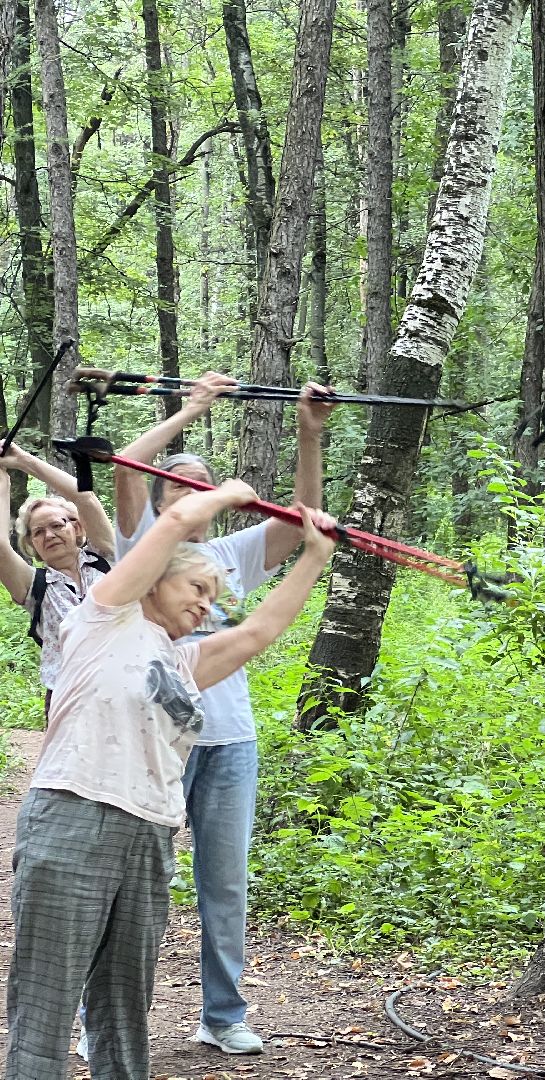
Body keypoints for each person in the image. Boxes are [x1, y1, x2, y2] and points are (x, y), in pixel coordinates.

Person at [4, 477, 336, 1080]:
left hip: (151, 835)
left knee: (125, 1005)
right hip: (75, 815)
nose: (206, 605)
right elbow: (173, 526)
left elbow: (259, 631)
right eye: (197, 588)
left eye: (213, 597)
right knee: (47, 1002)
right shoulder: (102, 616)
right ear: (155, 579)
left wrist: (313, 557)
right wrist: (224, 496)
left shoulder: (185, 660)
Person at [106, 371, 335, 1056]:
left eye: (204, 481)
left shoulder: (233, 555)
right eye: (177, 482)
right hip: (152, 740)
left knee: (223, 885)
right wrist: (193, 409)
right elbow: (125, 462)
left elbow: (305, 519)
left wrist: (309, 431)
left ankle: (222, 1013)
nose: (191, 489)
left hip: (230, 741)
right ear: (160, 494)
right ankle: (107, 1019)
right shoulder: (140, 544)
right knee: (130, 882)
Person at [0, 445, 117, 717]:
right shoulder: (34, 586)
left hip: (128, 689)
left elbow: (85, 499)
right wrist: (2, 477)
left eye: (57, 525)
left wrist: (25, 460)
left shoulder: (106, 558)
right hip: (70, 699)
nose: (49, 535)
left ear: (76, 528)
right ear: (31, 543)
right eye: (38, 532)